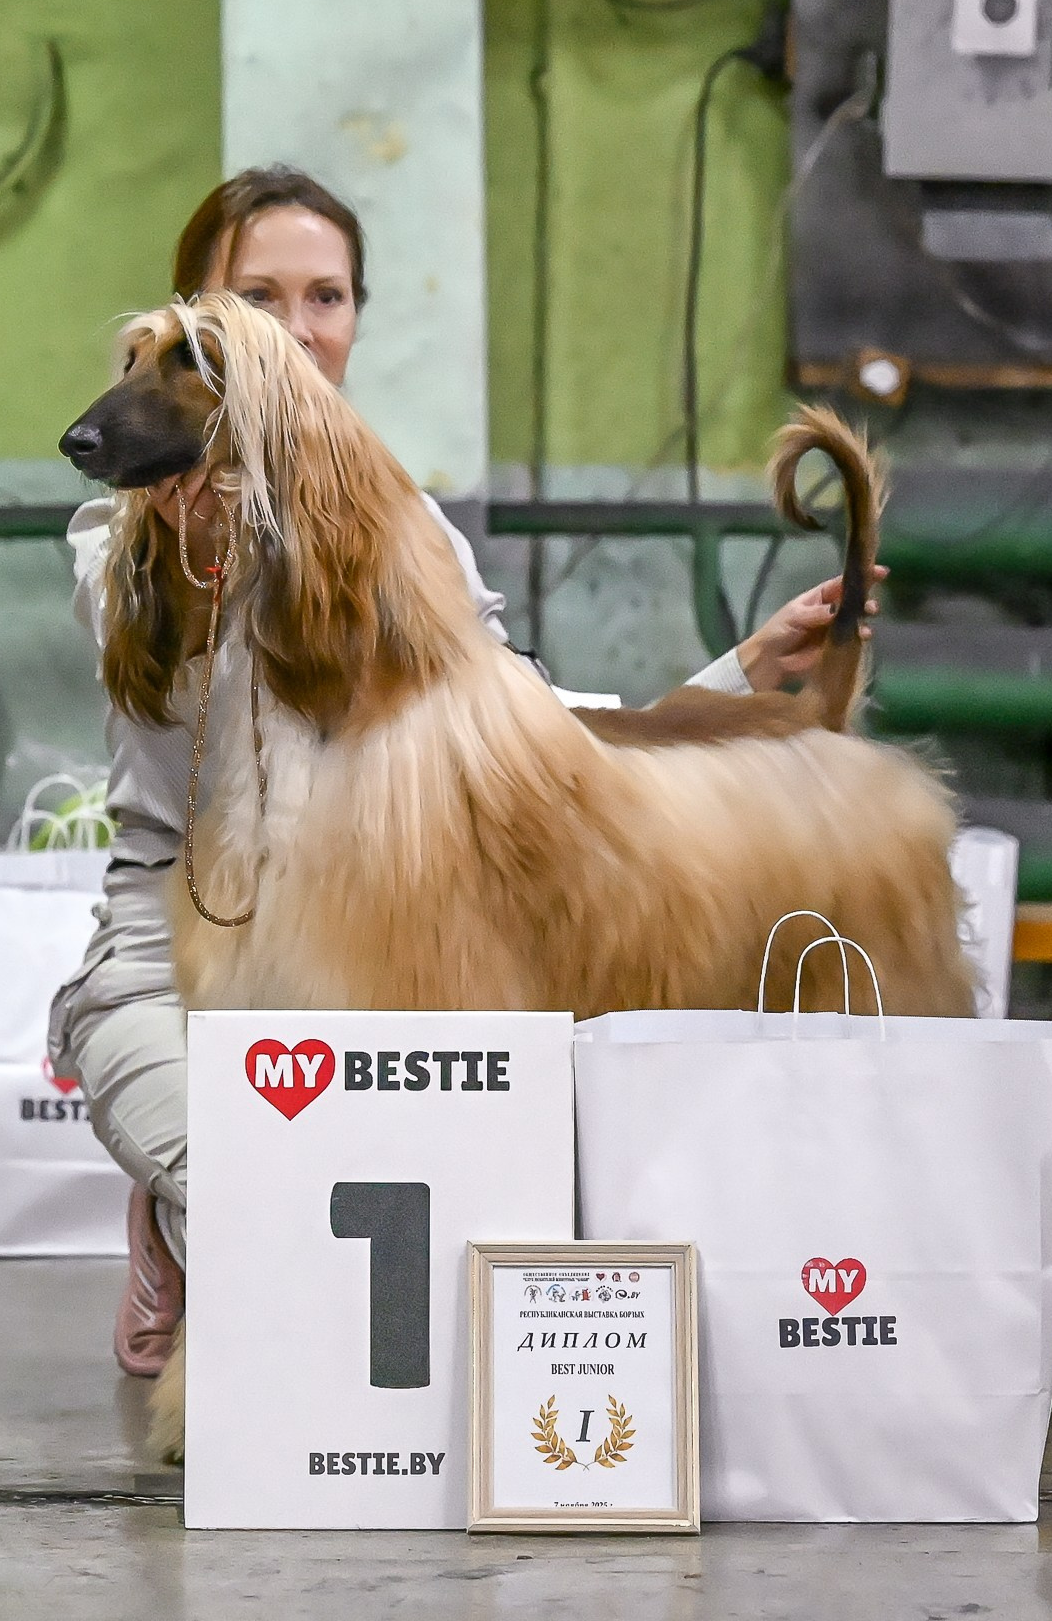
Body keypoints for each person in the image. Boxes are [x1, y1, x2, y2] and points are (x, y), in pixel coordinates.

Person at [50, 165, 879, 1374]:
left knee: (494, 1201)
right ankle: (185, 1206)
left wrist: (738, 675)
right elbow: (195, 704)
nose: (296, 326)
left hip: (386, 930)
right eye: (257, 295)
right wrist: (206, 553)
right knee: (273, 1208)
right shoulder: (123, 542)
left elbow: (516, 723)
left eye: (326, 295)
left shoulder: (406, 531)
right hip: (176, 940)